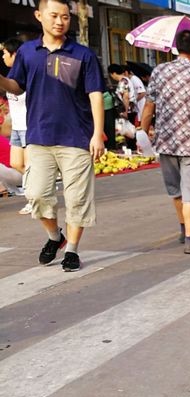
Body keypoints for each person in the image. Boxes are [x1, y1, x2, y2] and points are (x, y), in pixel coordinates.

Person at [0, 0, 105, 273]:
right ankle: (54, 237)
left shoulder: (84, 55)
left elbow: (95, 95)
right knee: (36, 194)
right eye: (54, 15)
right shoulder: (27, 52)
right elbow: (17, 85)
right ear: (39, 16)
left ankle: (71, 249)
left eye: (65, 17)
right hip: (39, 136)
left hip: (77, 138)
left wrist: (97, 134)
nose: (60, 21)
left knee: (77, 199)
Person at [140, 29, 190, 253]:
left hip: (166, 142)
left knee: (176, 190)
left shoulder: (159, 72)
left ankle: (184, 227)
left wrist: (142, 131)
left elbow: (149, 106)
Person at [2, 37, 30, 214]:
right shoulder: (10, 76)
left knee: (28, 166)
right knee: (16, 163)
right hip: (17, 128)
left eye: (4, 53)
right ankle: (40, 190)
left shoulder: (27, 74)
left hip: (29, 127)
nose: (2, 56)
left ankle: (34, 198)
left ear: (14, 54)